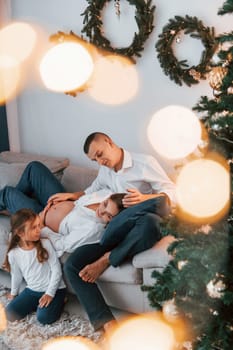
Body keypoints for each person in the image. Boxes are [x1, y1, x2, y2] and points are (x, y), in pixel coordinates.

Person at [61, 132, 176, 332]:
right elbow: (90, 190)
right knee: (72, 265)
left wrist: (143, 199)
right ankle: (105, 322)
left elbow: (172, 192)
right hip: (112, 230)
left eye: (100, 154)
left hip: (139, 227)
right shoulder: (105, 171)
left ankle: (107, 259)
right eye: (94, 159)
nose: (100, 161)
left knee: (152, 218)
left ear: (109, 142)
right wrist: (72, 195)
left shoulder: (144, 162)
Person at [0, 161, 126, 257]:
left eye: (107, 215)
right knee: (35, 167)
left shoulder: (92, 231)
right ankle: (12, 208)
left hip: (40, 218)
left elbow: (63, 244)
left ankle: (16, 212)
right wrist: (70, 196)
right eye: (104, 205)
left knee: (8, 194)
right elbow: (90, 191)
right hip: (60, 200)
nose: (101, 211)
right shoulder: (107, 193)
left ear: (112, 221)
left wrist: (43, 225)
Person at [2, 208, 66, 325]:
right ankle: (37, 304)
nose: (39, 230)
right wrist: (14, 293)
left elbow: (56, 270)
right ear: (20, 233)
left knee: (44, 318)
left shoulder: (45, 244)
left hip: (54, 289)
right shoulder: (14, 254)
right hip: (32, 290)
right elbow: (16, 275)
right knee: (9, 314)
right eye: (33, 228)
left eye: (38, 226)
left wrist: (49, 294)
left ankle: (60, 300)